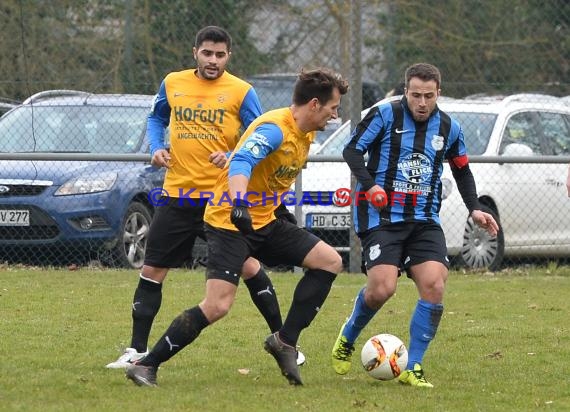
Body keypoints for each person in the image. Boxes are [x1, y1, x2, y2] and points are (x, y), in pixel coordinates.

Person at [124, 68, 349, 387]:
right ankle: (147, 365)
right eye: (333, 107)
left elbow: (272, 176)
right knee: (217, 305)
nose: (335, 115)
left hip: (266, 220)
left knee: (329, 261)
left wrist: (277, 208)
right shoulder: (274, 128)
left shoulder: (306, 131)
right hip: (229, 221)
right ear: (314, 104)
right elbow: (242, 160)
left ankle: (285, 341)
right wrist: (240, 201)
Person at [106, 25, 304, 369]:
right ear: (195, 52)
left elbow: (260, 139)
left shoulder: (242, 91)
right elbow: (156, 118)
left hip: (222, 198)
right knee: (152, 269)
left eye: (220, 55)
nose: (213, 61)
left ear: (229, 56)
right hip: (178, 195)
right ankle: (136, 351)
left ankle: (285, 342)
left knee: (249, 266)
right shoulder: (173, 82)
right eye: (207, 53)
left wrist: (231, 157)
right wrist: (156, 147)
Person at [330, 63, 499, 388]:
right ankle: (348, 337)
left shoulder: (449, 127)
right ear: (405, 91)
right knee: (382, 288)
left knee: (434, 285)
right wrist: (370, 186)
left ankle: (414, 367)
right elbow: (351, 151)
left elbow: (462, 170)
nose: (422, 102)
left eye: (429, 96)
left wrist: (475, 208)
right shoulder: (384, 116)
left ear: (439, 93)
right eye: (416, 95)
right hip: (380, 217)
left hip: (423, 220)